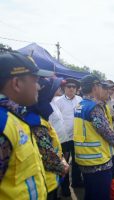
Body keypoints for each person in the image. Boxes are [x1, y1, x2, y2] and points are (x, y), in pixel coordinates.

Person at [0, 52, 53, 199]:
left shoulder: (15, 116)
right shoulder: (2, 124)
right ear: (17, 83)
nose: (38, 87)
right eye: (35, 80)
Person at [73, 75, 114, 200]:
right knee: (100, 195)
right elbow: (107, 132)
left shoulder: (80, 105)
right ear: (94, 87)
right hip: (98, 162)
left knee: (91, 194)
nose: (103, 89)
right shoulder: (94, 107)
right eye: (100, 86)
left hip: (85, 160)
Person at [24, 77, 70, 200]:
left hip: (50, 180)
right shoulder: (35, 122)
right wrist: (63, 165)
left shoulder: (39, 117)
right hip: (45, 183)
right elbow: (48, 156)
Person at [55, 78, 83, 196]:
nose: (71, 88)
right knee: (64, 163)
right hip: (64, 138)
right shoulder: (58, 101)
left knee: (77, 162)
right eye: (69, 86)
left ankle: (76, 182)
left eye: (73, 87)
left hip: (77, 137)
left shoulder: (80, 99)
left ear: (76, 89)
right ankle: (65, 187)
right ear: (64, 88)